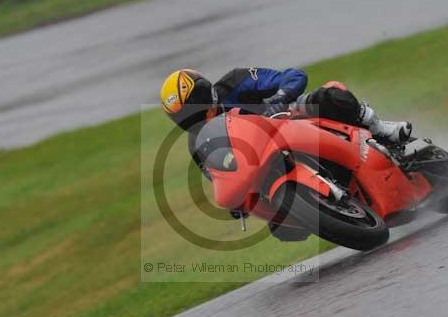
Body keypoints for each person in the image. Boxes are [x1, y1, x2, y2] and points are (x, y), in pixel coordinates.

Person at [159, 68, 412, 241]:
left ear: (206, 94)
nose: (189, 119)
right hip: (264, 161)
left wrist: (280, 98)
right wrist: (238, 203)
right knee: (282, 230)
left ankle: (382, 129)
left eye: (191, 108)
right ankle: (332, 206)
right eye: (181, 117)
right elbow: (219, 174)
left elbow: (293, 76)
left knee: (329, 96)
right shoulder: (198, 144)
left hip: (291, 117)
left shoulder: (235, 81)